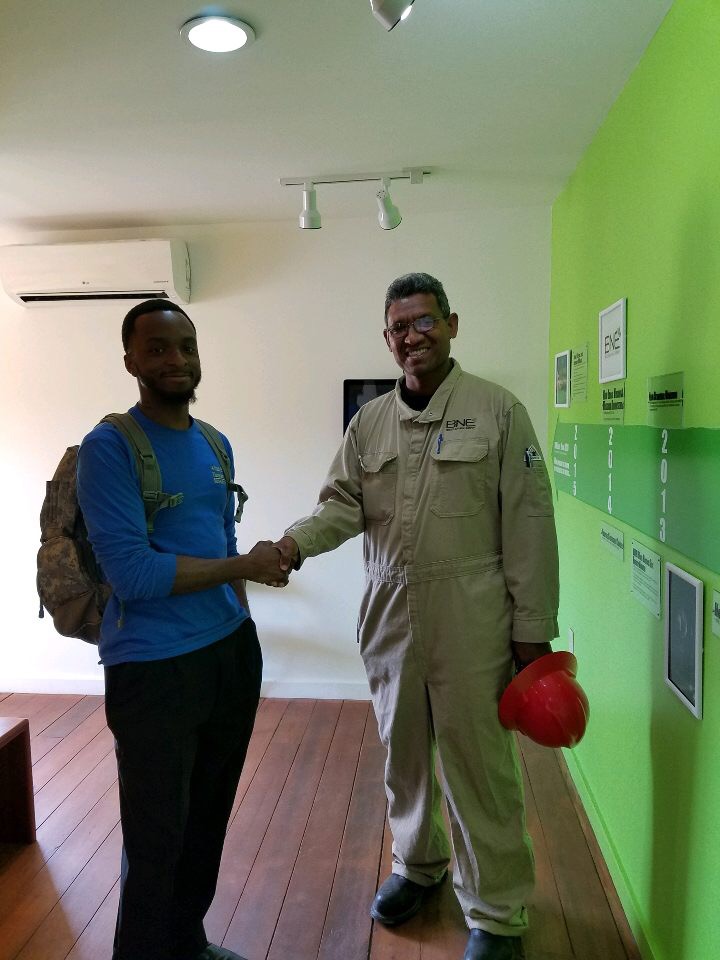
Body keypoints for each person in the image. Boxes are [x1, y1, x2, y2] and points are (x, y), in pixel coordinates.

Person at [274, 273, 559, 960]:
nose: (413, 336)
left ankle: (496, 912)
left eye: (425, 321)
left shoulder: (498, 411)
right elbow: (340, 505)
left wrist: (533, 630)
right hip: (388, 612)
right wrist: (290, 545)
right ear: (387, 338)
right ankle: (418, 866)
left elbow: (528, 521)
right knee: (404, 754)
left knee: (477, 763)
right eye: (400, 326)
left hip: (473, 614)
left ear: (452, 324)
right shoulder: (369, 423)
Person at [77, 299, 287, 960]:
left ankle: (186, 943)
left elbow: (215, 543)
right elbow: (135, 573)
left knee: (206, 822)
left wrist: (241, 622)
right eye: (159, 348)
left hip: (228, 656)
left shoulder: (213, 442)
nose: (176, 360)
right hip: (153, 671)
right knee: (156, 838)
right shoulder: (109, 446)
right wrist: (245, 564)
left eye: (186, 347)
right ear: (132, 361)